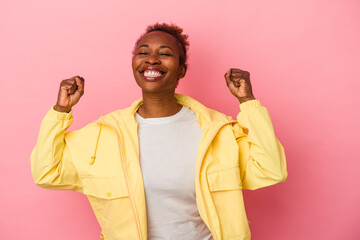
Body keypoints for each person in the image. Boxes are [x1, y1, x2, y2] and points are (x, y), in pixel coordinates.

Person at [31, 23, 287, 240]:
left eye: (164, 54)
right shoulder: (103, 135)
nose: (152, 59)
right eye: (143, 52)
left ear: (181, 70)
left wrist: (248, 102)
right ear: (134, 64)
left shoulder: (216, 130)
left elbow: (270, 170)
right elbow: (47, 173)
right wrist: (60, 110)